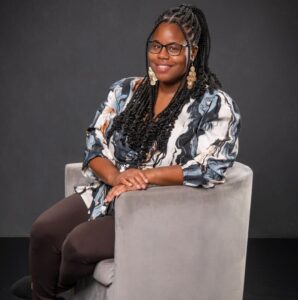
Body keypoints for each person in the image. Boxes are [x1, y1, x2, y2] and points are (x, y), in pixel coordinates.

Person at [11, 4, 241, 300]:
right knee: (43, 231)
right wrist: (119, 177)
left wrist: (145, 177)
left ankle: (53, 286)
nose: (162, 55)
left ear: (192, 52)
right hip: (107, 191)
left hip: (157, 206)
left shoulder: (214, 104)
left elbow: (211, 166)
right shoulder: (125, 91)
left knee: (76, 246)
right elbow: (94, 143)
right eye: (156, 45)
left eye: (173, 48)